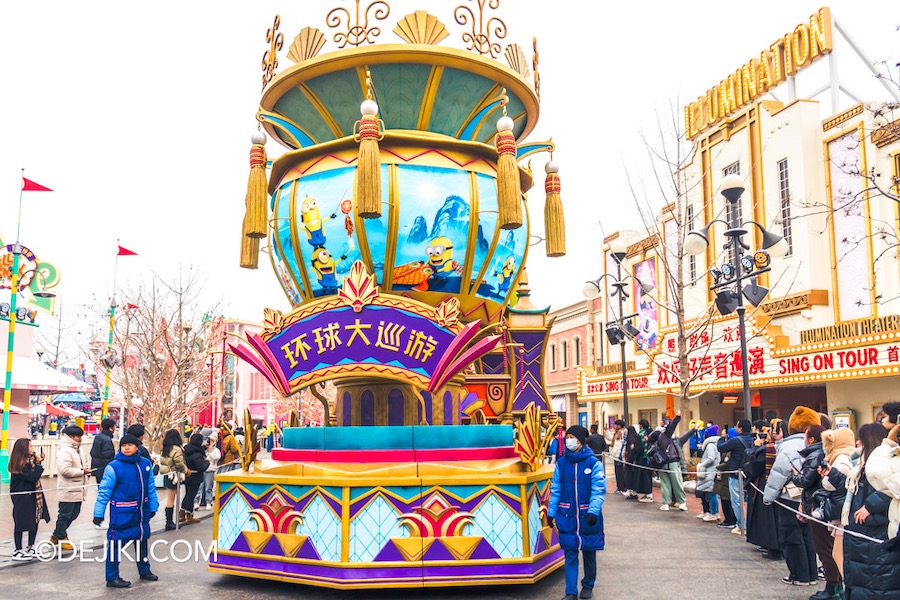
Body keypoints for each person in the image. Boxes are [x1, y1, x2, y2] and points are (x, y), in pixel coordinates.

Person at [839, 423, 900, 598]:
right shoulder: (861, 468)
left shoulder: (881, 468)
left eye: (862, 441)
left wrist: (870, 509)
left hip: (874, 544)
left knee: (876, 588)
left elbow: (890, 494)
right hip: (862, 543)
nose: (857, 443)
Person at [93, 433, 159, 588]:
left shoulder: (145, 464)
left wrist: (153, 506)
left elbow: (150, 487)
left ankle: (144, 570)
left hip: (141, 513)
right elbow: (104, 491)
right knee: (115, 545)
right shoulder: (113, 467)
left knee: (141, 541)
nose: (127, 448)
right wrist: (98, 513)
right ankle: (112, 577)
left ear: (137, 446)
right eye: (124, 445)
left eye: (130, 445)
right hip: (122, 514)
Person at [548, 425, 605, 600]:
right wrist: (551, 512)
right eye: (568, 437)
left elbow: (599, 489)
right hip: (567, 516)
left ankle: (588, 584)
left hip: (588, 517)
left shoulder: (593, 463)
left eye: (572, 437)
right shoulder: (561, 463)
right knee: (570, 554)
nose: (568, 440)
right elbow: (556, 488)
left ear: (580, 440)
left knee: (589, 552)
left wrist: (593, 511)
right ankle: (571, 591)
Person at [765, 406, 820, 586]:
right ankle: (811, 573)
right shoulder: (819, 445)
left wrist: (768, 497)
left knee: (791, 536)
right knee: (807, 536)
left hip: (791, 497)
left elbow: (778, 474)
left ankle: (799, 574)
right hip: (811, 498)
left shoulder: (788, 446)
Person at [795, 424, 843, 598]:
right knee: (828, 548)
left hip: (821, 507)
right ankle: (834, 585)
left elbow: (806, 480)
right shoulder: (825, 454)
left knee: (825, 548)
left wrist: (795, 476)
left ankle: (834, 587)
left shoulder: (816, 455)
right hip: (823, 506)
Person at [811, 427, 855, 599]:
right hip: (840, 510)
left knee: (837, 552)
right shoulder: (847, 456)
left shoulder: (841, 459)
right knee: (837, 551)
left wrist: (825, 477)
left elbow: (833, 484)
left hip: (839, 511)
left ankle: (840, 588)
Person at [744, 419, 782, 559]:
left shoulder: (770, 449)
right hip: (771, 485)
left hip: (767, 485)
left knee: (769, 518)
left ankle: (773, 547)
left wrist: (754, 448)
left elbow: (753, 465)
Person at [8, 438, 50, 560]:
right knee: (20, 523)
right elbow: (32, 477)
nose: (33, 449)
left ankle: (30, 547)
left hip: (34, 496)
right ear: (23, 449)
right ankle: (18, 550)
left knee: (35, 520)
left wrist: (37, 463)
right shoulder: (19, 464)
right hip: (22, 497)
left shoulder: (29, 461)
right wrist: (38, 466)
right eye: (30, 447)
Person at [52, 425, 91, 551]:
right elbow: (64, 470)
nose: (79, 438)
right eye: (77, 436)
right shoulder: (65, 450)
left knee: (74, 514)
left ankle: (56, 535)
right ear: (70, 437)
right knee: (65, 514)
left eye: (80, 436)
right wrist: (81, 471)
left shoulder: (78, 449)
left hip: (78, 488)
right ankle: (61, 536)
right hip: (68, 488)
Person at [717, 418, 755, 533]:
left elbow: (721, 448)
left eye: (737, 426)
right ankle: (747, 525)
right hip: (749, 473)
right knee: (748, 501)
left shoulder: (736, 441)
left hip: (735, 474)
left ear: (741, 428)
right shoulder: (754, 440)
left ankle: (741, 525)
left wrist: (723, 438)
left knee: (737, 501)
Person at [647, 412, 687, 511]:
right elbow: (672, 426)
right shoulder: (664, 436)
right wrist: (677, 417)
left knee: (665, 484)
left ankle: (665, 503)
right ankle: (682, 502)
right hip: (672, 461)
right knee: (677, 482)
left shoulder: (652, 444)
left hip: (660, 465)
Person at [158, 428, 187, 531]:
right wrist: (185, 470)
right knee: (171, 499)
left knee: (170, 498)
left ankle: (169, 521)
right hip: (174, 475)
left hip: (167, 474)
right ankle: (169, 522)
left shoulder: (165, 448)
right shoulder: (177, 449)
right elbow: (179, 463)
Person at [180, 433, 209, 525]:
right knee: (191, 496)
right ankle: (189, 515)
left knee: (187, 494)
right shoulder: (197, 454)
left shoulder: (187, 450)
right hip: (195, 476)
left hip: (188, 475)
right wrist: (207, 463)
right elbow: (201, 467)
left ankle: (182, 513)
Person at [696, 424, 721, 522]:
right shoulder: (715, 444)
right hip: (710, 471)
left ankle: (713, 513)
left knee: (711, 493)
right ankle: (709, 511)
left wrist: (702, 465)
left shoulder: (710, 445)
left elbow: (711, 458)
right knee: (709, 492)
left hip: (710, 471)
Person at [625, 423, 653, 502]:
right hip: (648, 458)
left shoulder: (639, 435)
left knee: (644, 477)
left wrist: (634, 455)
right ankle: (647, 494)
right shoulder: (649, 433)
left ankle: (648, 495)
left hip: (641, 459)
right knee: (647, 476)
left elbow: (638, 448)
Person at [196, 430, 220, 510]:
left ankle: (208, 502)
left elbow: (216, 457)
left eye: (212, 441)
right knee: (199, 486)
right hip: (202, 469)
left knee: (208, 487)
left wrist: (209, 454)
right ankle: (196, 502)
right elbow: (201, 456)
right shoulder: (203, 449)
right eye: (209, 440)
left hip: (210, 470)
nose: (210, 442)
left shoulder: (216, 450)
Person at [610, 420, 627, 494]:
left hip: (620, 455)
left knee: (621, 472)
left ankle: (622, 487)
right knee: (617, 472)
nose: (615, 426)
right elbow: (611, 440)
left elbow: (622, 444)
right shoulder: (615, 433)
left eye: (616, 425)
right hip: (615, 455)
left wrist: (622, 454)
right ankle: (619, 487)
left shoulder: (623, 432)